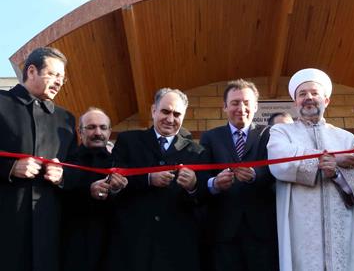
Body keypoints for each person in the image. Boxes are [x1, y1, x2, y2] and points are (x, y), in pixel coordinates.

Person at [267, 68, 354, 271]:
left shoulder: (345, 137)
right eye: (302, 94)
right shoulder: (281, 131)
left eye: (314, 93)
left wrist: (336, 172)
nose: (308, 98)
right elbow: (279, 160)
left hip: (342, 223)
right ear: (295, 102)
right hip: (301, 227)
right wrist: (335, 158)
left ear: (326, 100)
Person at [108, 88, 209, 271]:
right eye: (165, 111)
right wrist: (147, 179)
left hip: (176, 248)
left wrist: (193, 186)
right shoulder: (128, 141)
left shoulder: (197, 152)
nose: (170, 119)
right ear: (153, 110)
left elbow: (204, 198)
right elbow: (115, 179)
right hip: (134, 243)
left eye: (177, 114)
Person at [0, 47, 77, 271]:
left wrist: (63, 175)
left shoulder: (65, 120)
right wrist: (10, 167)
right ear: (31, 71)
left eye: (62, 78)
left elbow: (76, 169)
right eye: (53, 74)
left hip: (48, 231)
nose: (59, 82)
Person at [200, 79, 277, 271]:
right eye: (234, 103)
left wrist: (254, 175)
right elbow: (202, 176)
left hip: (261, 230)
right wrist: (215, 183)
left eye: (246, 102)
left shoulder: (268, 134)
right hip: (223, 230)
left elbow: (275, 170)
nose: (241, 108)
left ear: (256, 106)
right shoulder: (210, 137)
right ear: (225, 106)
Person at [61, 107, 128, 271]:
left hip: (112, 247)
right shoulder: (66, 160)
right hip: (73, 247)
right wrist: (87, 191)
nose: (98, 132)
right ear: (80, 131)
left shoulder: (120, 163)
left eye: (103, 127)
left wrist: (117, 191)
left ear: (110, 131)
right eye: (91, 127)